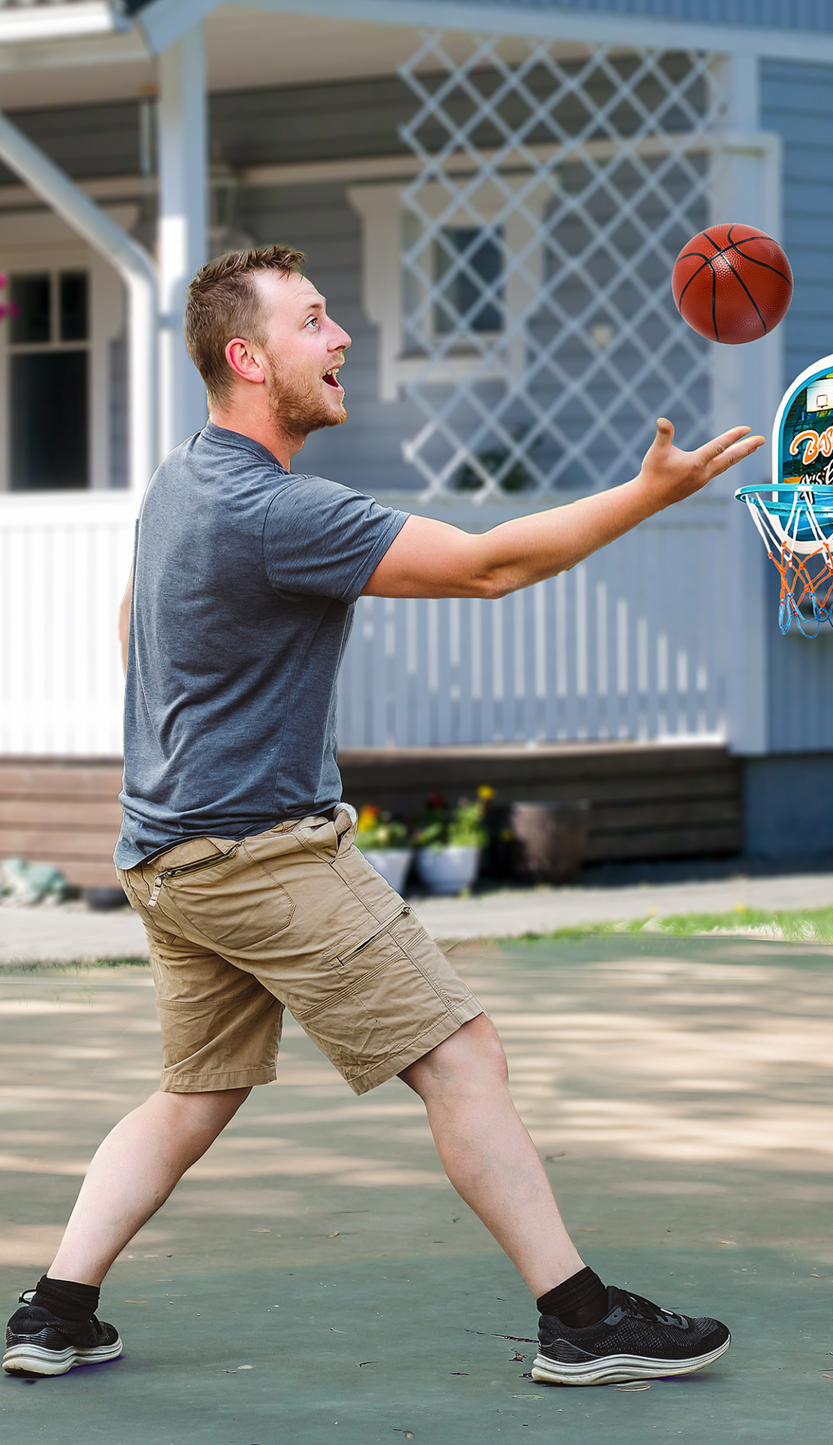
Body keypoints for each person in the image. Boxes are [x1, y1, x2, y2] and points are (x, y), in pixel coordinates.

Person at [3, 245, 762, 1386]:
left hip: (167, 850)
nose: (341, 336)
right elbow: (488, 568)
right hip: (259, 852)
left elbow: (132, 621)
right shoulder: (271, 508)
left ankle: (54, 1310)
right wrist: (645, 496)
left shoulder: (182, 478)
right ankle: (580, 1318)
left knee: (195, 1090)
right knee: (464, 1054)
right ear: (250, 357)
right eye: (313, 321)